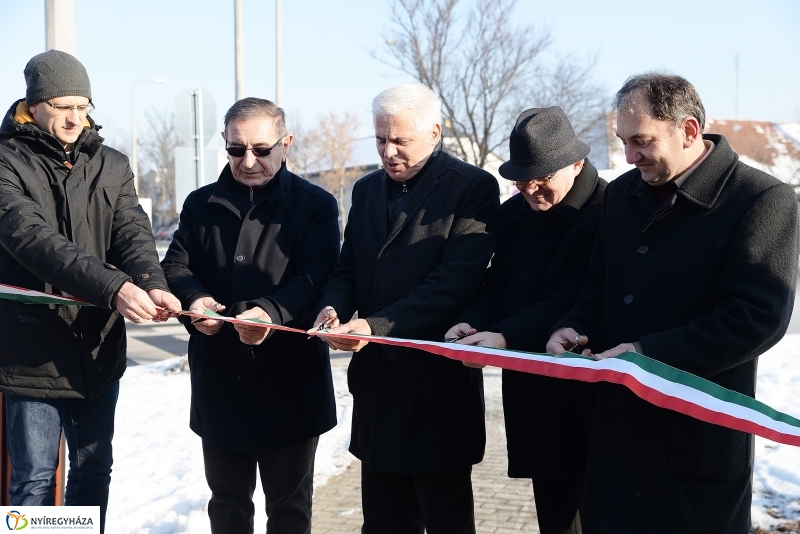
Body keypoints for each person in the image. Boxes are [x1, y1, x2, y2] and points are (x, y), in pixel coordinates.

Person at [546, 72, 799, 534]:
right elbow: (598, 285)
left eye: (641, 141)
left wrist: (646, 354)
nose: (629, 156)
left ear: (688, 130)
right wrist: (574, 325)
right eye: (623, 142)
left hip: (694, 449)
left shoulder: (762, 199)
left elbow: (756, 317)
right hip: (615, 443)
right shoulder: (620, 194)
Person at [0, 50, 181, 531]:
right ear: (34, 105)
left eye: (83, 106)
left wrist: (151, 283)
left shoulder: (112, 164)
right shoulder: (5, 161)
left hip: (96, 347)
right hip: (30, 354)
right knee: (33, 481)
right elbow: (33, 239)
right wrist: (114, 286)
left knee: (93, 472)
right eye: (63, 106)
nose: (75, 118)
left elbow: (133, 235)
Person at [312, 83, 500, 534]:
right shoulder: (365, 190)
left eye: (401, 141)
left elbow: (454, 283)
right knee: (382, 523)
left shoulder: (471, 187)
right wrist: (333, 308)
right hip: (378, 393)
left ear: (435, 132)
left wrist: (374, 326)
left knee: (446, 522)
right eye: (380, 139)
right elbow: (347, 266)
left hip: (436, 392)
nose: (388, 152)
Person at [162, 97, 340, 534]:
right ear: (223, 142)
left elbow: (317, 275)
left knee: (289, 510)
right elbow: (176, 267)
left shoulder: (315, 204)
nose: (247, 161)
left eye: (261, 149)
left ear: (286, 144)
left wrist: (272, 313)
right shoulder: (200, 203)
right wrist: (195, 301)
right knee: (226, 506)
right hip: (221, 381)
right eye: (236, 149)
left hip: (291, 384)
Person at [446, 106, 605, 534]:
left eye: (541, 177)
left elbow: (574, 296)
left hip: (587, 394)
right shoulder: (515, 213)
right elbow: (497, 283)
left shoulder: (606, 210)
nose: (530, 189)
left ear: (576, 163)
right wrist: (473, 322)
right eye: (520, 179)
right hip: (533, 394)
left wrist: (504, 336)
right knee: (553, 515)